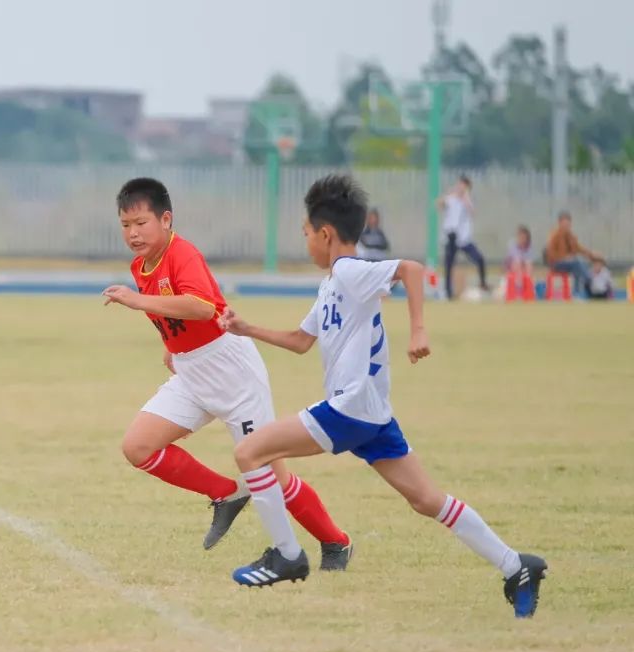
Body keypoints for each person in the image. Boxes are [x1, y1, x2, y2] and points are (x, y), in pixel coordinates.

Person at [220, 174, 547, 616]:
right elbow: (301, 340)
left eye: (306, 235)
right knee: (426, 500)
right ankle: (515, 565)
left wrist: (418, 330)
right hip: (371, 415)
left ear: (326, 233)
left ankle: (287, 556)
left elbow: (410, 269)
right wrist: (247, 328)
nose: (306, 244)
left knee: (249, 452)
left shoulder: (352, 271)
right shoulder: (333, 282)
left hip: (349, 408)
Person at [102, 177, 353, 572]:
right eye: (125, 225)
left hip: (231, 370)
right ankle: (225, 494)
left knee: (271, 474)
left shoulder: (182, 254)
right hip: (192, 372)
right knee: (138, 447)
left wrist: (136, 301)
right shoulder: (141, 264)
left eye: (141, 223)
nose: (133, 233)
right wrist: (173, 346)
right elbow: (174, 313)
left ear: (166, 219)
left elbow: (203, 306)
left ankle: (335, 542)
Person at [439, 175, 489, 299]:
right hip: (451, 236)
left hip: (464, 238)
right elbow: (439, 204)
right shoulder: (451, 199)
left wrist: (465, 197)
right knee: (449, 265)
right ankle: (448, 292)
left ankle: (483, 283)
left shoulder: (468, 200)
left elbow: (473, 212)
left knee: (479, 258)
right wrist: (449, 194)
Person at [545, 211, 603, 298]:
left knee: (580, 263)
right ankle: (589, 281)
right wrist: (564, 258)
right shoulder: (554, 235)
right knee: (576, 263)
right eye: (564, 224)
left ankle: (578, 292)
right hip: (556, 263)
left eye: (568, 224)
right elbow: (550, 254)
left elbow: (579, 249)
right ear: (559, 223)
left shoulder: (571, 236)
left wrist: (592, 254)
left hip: (570, 263)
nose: (566, 226)